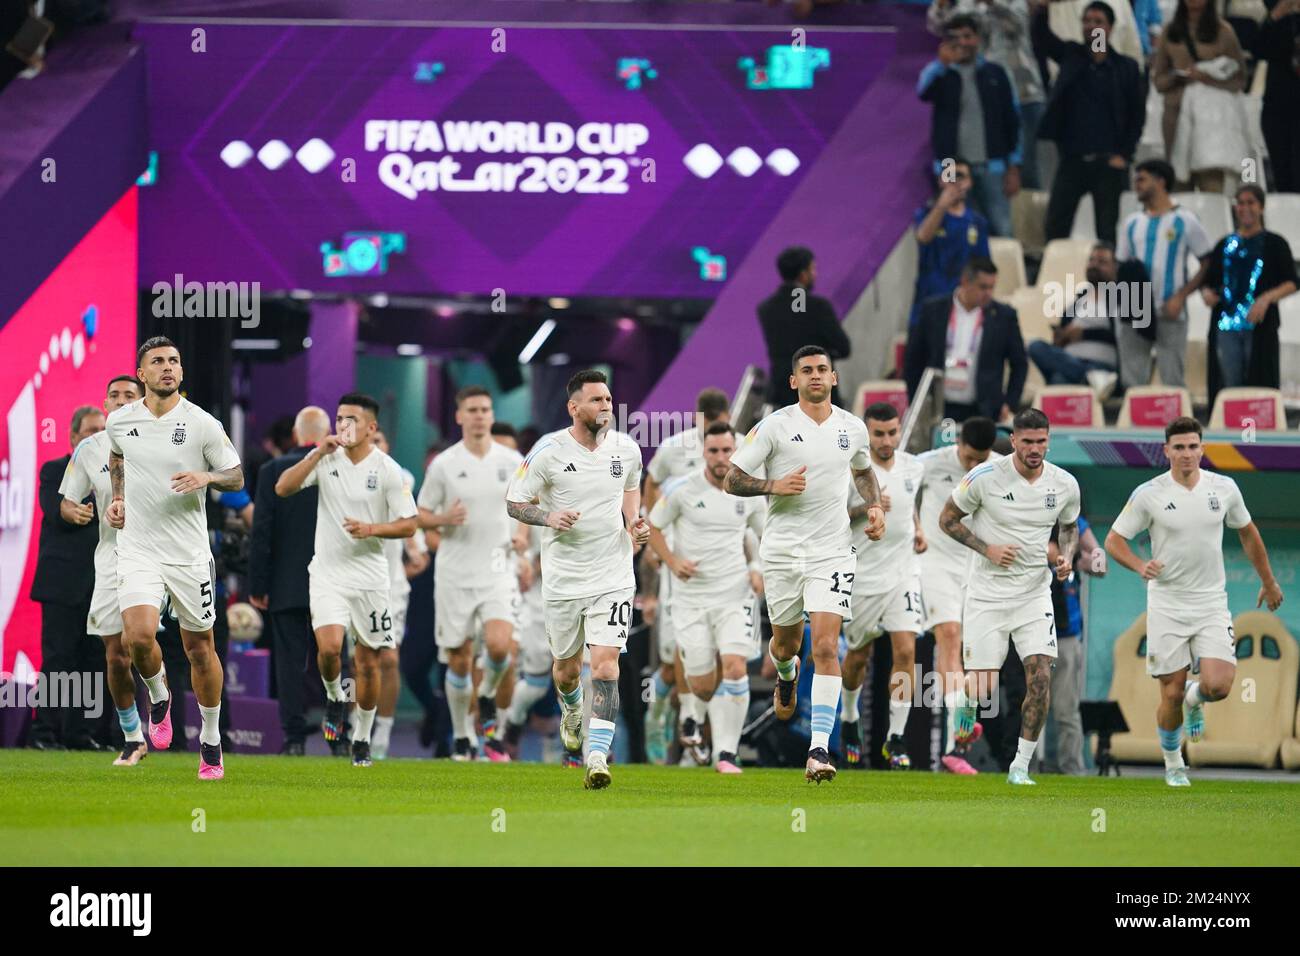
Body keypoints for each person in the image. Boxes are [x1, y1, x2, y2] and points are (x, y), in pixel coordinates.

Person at [725, 346, 885, 783]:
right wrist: (774, 484)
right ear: (793, 381)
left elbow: (864, 470)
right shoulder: (774, 427)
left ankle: (818, 750)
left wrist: (873, 506)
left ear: (834, 378)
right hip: (782, 553)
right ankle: (785, 673)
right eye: (806, 371)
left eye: (822, 370)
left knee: (828, 647)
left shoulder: (852, 428)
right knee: (785, 646)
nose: (816, 376)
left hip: (832, 551)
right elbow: (731, 478)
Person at [1105, 417, 1283, 786]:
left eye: (1193, 447)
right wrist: (1140, 565)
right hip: (1167, 605)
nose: (1187, 454)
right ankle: (1173, 764)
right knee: (1168, 692)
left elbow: (1248, 534)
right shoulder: (1148, 494)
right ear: (1167, 451)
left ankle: (1195, 697)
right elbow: (1114, 541)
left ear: (1202, 449)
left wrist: (1268, 581)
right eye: (1179, 447)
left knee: (1219, 685)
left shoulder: (1225, 488)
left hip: (1211, 604)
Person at [105, 336, 244, 781]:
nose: (168, 367)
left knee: (200, 649)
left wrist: (205, 475)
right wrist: (119, 498)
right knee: (138, 638)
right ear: (141, 373)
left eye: (175, 361)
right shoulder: (120, 421)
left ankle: (210, 739)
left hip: (187, 554)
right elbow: (118, 455)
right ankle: (159, 694)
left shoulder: (202, 423)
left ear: (181, 372)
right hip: (138, 548)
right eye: (158, 362)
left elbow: (236, 474)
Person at [505, 370, 649, 788]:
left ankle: (596, 756)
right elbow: (514, 502)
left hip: (613, 575)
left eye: (608, 399)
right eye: (597, 400)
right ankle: (570, 710)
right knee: (567, 672)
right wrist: (548, 516)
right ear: (574, 407)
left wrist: (634, 523)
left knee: (605, 666)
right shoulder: (548, 451)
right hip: (564, 580)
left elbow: (631, 489)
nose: (606, 406)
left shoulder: (626, 448)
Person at [274, 393, 419, 768]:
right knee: (328, 649)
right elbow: (283, 488)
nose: (343, 426)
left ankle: (361, 738)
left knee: (369, 663)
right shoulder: (325, 460)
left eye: (351, 419)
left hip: (371, 579)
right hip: (327, 573)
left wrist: (372, 528)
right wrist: (316, 453)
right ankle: (336, 697)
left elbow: (409, 524)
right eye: (339, 419)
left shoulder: (389, 470)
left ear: (371, 427)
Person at [940, 407, 1081, 786]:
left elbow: (1068, 528)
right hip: (986, 595)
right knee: (983, 688)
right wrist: (986, 548)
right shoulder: (984, 477)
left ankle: (1020, 767)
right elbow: (947, 520)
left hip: (1034, 595)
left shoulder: (1064, 483)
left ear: (1048, 441)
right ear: (1014, 441)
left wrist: (1066, 556)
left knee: (1040, 677)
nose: (1035, 449)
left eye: (1041, 441)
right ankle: (965, 705)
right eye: (1028, 441)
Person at [648, 422, 764, 774]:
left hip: (734, 594)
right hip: (691, 597)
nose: (720, 457)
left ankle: (726, 753)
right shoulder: (681, 490)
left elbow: (764, 533)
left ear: (736, 451)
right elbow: (653, 527)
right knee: (701, 681)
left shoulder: (750, 493)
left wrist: (757, 566)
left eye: (727, 450)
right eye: (713, 451)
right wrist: (672, 561)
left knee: (735, 666)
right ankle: (689, 715)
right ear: (704, 452)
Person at [417, 386, 524, 762]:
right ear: (459, 416)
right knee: (460, 658)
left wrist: (523, 539)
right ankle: (464, 735)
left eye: (485, 409)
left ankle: (488, 695)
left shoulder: (512, 460)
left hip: (498, 568)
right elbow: (421, 515)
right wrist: (443, 521)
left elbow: (530, 505)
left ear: (492, 416)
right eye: (472, 410)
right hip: (456, 571)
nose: (480, 415)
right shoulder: (444, 464)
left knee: (499, 646)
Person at [55, 377, 146, 764]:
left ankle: (161, 698)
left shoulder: (165, 439)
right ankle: (132, 736)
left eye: (130, 395)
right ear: (105, 403)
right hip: (111, 556)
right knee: (116, 655)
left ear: (142, 401)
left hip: (157, 553)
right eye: (115, 395)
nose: (122, 400)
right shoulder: (89, 449)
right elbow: (67, 499)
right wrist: (72, 510)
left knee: (141, 641)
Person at [641, 387, 731, 763]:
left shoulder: (740, 447)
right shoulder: (676, 448)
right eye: (706, 423)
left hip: (727, 566)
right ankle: (662, 713)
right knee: (678, 650)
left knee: (721, 654)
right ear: (697, 418)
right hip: (680, 562)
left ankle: (699, 741)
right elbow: (651, 482)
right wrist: (653, 539)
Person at [840, 404, 927, 770]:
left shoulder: (913, 466)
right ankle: (848, 720)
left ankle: (897, 737)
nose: (887, 440)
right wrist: (868, 506)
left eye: (892, 432)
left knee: (906, 651)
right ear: (867, 433)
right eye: (879, 434)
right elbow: (835, 516)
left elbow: (910, 507)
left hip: (903, 572)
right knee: (859, 656)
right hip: (863, 574)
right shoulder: (851, 470)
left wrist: (918, 528)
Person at [916, 416, 999, 774]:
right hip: (934, 564)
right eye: (968, 458)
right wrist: (915, 528)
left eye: (980, 459)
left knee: (979, 659)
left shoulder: (999, 469)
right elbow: (901, 492)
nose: (974, 466)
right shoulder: (931, 462)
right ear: (958, 445)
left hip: (978, 569)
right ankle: (954, 744)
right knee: (949, 638)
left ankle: (958, 730)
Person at [1032, 0, 1146, 244]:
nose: (1091, 26)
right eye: (1087, 21)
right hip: (1073, 159)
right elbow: (1042, 40)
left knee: (1108, 231)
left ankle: (1109, 281)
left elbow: (1137, 116)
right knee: (1055, 226)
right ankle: (1054, 276)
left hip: (1109, 162)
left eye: (1098, 22)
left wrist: (1125, 155)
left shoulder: (1126, 68)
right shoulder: (1072, 56)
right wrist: (1041, 10)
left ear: (1111, 28)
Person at [28, 405, 108, 752]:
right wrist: (69, 509)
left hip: (100, 583)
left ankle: (80, 733)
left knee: (92, 659)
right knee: (58, 659)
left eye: (101, 431)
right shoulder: (54, 469)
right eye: (90, 431)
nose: (96, 437)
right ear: (73, 436)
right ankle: (44, 732)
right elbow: (56, 507)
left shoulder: (113, 475)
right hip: (62, 583)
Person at [249, 406, 328, 756]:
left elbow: (261, 531)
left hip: (286, 582)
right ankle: (339, 734)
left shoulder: (273, 470)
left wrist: (258, 584)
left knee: (290, 663)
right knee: (335, 659)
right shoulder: (337, 469)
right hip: (333, 581)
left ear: (296, 435)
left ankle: (294, 738)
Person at [918, 14, 1023, 237]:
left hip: (993, 166)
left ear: (977, 39)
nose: (963, 43)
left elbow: (1012, 119)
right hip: (951, 166)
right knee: (959, 230)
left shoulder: (996, 73)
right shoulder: (940, 74)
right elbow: (922, 93)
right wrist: (942, 65)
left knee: (1002, 226)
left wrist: (1013, 166)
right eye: (956, 37)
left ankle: (1004, 271)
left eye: (968, 36)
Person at [1115, 159, 1214, 389]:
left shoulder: (1185, 220)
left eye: (1142, 179)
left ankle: (1178, 425)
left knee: (1172, 381)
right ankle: (1133, 425)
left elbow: (1208, 262)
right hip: (1136, 309)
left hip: (1170, 309)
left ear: (1160, 182)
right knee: (1132, 382)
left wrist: (1181, 297)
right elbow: (1123, 265)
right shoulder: (1131, 223)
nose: (1136, 185)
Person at [927, 0, 1047, 189]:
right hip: (980, 95)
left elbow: (1016, 25)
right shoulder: (966, 5)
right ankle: (972, 209)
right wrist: (941, 6)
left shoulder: (1015, 2)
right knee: (977, 161)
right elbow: (940, 27)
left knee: (1026, 168)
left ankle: (1027, 216)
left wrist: (993, 3)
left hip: (1023, 93)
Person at [1200, 184, 1299, 402]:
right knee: (1228, 383)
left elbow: (1292, 281)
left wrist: (1266, 299)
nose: (1245, 208)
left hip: (1259, 324)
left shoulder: (1275, 243)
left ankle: (1256, 430)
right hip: (1226, 324)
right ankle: (1229, 429)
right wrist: (1207, 293)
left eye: (1251, 203)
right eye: (1240, 203)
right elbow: (1208, 281)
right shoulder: (1224, 244)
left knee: (1259, 382)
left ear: (1261, 207)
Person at [905, 256, 1027, 423]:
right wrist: (917, 402)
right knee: (945, 448)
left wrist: (1010, 403)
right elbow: (913, 360)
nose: (988, 293)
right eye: (983, 287)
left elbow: (1020, 364)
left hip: (983, 409)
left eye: (992, 287)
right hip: (941, 408)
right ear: (965, 282)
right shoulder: (933, 310)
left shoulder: (1004, 316)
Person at [371, 429, 429, 759]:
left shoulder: (400, 482)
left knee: (389, 659)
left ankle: (383, 729)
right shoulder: (343, 481)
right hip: (353, 585)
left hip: (392, 590)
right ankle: (357, 722)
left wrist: (403, 569)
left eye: (380, 440)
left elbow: (418, 553)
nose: (375, 446)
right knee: (358, 663)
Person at [1153, 0, 1250, 193]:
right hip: (1176, 113)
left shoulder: (1224, 32)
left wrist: (1208, 78)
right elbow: (1159, 81)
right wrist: (1180, 75)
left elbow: (1239, 79)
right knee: (1178, 184)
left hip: (1211, 119)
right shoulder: (1170, 31)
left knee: (1211, 184)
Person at [757, 247, 851, 407]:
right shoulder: (818, 306)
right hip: (818, 393)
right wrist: (823, 355)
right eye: (813, 269)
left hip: (783, 392)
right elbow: (843, 348)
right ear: (803, 274)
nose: (815, 274)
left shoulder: (766, 308)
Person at [909, 157, 992, 328]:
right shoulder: (925, 214)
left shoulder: (978, 223)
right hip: (927, 304)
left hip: (961, 307)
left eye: (961, 176)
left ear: (970, 182)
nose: (956, 182)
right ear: (941, 180)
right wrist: (941, 206)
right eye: (951, 176)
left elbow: (983, 266)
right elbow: (923, 236)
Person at [1027, 242, 1121, 388]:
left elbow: (1123, 338)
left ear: (1115, 267)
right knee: (1035, 346)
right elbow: (1060, 336)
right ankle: (1086, 379)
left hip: (1101, 366)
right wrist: (1061, 337)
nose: (1094, 265)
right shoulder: (1078, 300)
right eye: (1091, 260)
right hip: (1070, 360)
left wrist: (1084, 334)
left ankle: (1087, 378)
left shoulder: (1121, 298)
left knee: (1059, 381)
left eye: (1102, 262)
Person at [1258, 0, 1300, 192]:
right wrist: (1278, 13)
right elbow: (1259, 49)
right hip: (1278, 105)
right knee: (1282, 174)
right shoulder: (1279, 17)